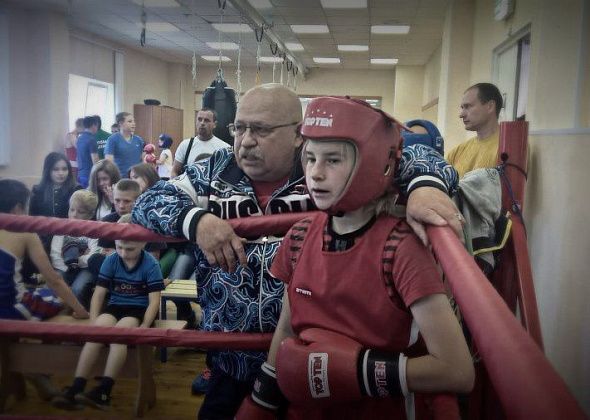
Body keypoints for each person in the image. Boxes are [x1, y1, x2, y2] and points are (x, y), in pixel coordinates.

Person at [132, 84, 463, 418]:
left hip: (320, 364)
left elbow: (419, 157)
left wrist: (425, 187)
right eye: (240, 127)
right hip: (230, 362)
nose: (245, 141)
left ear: (297, 134)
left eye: (261, 129)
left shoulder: (323, 168)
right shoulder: (215, 168)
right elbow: (146, 200)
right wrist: (197, 221)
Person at [236, 96, 474, 419]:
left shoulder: (401, 248)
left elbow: (458, 370)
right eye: (310, 158)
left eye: (332, 160)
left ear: (375, 163)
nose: (315, 174)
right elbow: (288, 330)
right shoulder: (300, 236)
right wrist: (262, 399)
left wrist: (363, 373)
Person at [51, 213, 164, 411]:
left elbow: (155, 300)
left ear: (143, 244)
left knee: (117, 337)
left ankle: (105, 391)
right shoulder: (111, 260)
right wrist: (93, 322)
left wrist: (145, 326)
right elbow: (99, 294)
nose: (123, 253)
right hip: (115, 307)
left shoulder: (151, 265)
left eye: (129, 249)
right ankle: (77, 387)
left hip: (138, 310)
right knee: (96, 335)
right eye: (119, 247)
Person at [0, 179, 89, 321]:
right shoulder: (25, 232)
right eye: (26, 207)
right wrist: (82, 311)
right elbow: (54, 280)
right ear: (17, 208)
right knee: (61, 300)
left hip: (10, 301)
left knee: (36, 290)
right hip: (11, 307)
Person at [50, 190, 99, 309]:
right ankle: (53, 309)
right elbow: (55, 256)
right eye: (71, 210)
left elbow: (92, 257)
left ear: (90, 214)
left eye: (80, 212)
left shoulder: (94, 231)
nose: (74, 215)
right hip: (64, 267)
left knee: (78, 288)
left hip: (86, 270)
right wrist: (78, 259)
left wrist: (72, 259)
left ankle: (80, 311)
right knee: (53, 283)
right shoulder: (62, 229)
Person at [446, 83, 503, 178]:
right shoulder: (457, 152)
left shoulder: (508, 149)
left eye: (467, 106)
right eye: (462, 108)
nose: (461, 114)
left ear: (490, 106)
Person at [170, 108, 228, 178]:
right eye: (199, 119)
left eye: (206, 120)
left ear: (214, 124)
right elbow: (174, 171)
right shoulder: (185, 145)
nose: (202, 123)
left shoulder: (224, 148)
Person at [105, 112, 144, 177]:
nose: (133, 124)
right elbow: (109, 163)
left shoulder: (138, 140)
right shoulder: (112, 139)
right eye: (130, 121)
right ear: (120, 123)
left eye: (134, 121)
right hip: (120, 179)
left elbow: (142, 160)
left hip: (137, 178)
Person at [76, 116, 100, 188]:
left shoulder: (79, 138)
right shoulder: (91, 139)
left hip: (80, 174)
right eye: (97, 126)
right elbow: (95, 160)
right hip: (89, 174)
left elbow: (77, 157)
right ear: (93, 125)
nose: (97, 129)